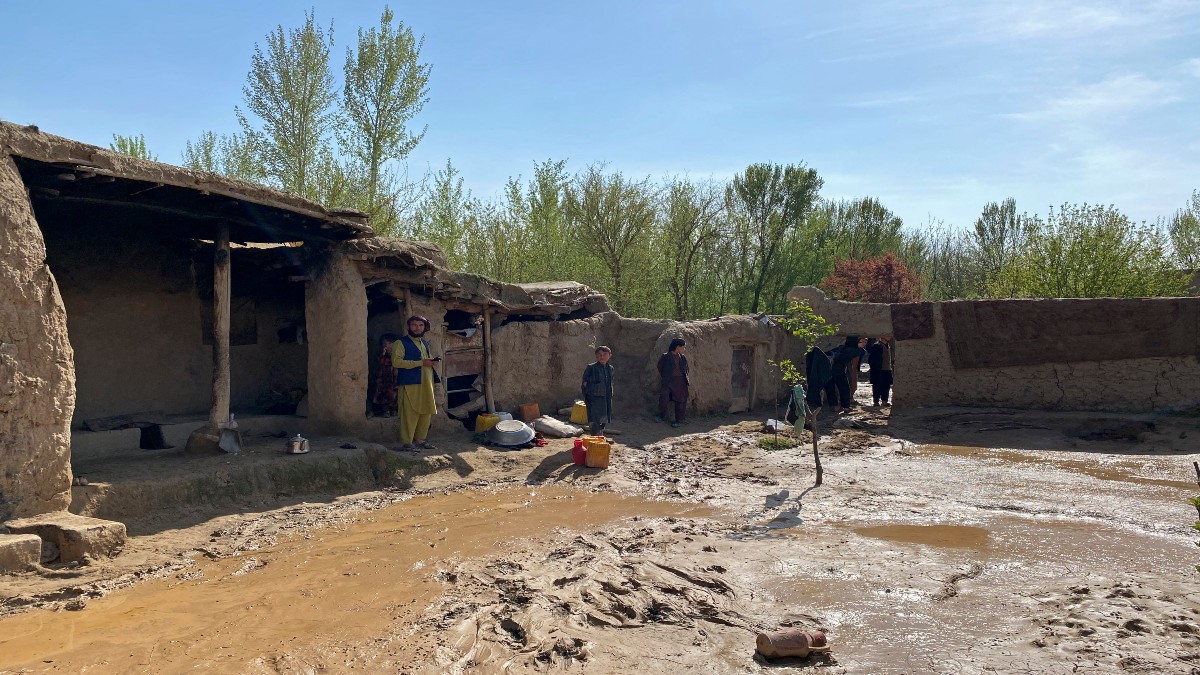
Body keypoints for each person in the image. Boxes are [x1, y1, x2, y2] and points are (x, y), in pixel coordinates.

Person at [393, 315, 440, 451]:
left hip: (426, 383)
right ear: (408, 327)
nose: (417, 328)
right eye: (414, 325)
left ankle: (420, 440)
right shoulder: (400, 343)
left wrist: (432, 362)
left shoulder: (423, 343)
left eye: (420, 325)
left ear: (425, 328)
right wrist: (421, 363)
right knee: (410, 413)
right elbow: (396, 362)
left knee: (425, 413)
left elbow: (425, 360)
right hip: (410, 383)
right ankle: (407, 443)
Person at [656, 338, 690, 427]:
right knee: (664, 397)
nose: (684, 349)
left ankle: (678, 420)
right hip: (668, 381)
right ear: (677, 347)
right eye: (683, 347)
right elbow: (660, 367)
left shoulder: (682, 358)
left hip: (680, 382)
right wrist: (666, 376)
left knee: (680, 401)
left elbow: (686, 369)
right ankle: (661, 415)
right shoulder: (666, 356)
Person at [580, 346, 614, 435]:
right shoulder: (591, 367)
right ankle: (595, 438)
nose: (602, 357)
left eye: (604, 354)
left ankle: (600, 436)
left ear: (610, 356)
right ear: (596, 356)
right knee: (594, 419)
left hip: (606, 398)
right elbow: (584, 383)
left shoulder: (610, 368)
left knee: (604, 419)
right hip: (593, 398)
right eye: (599, 355)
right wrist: (587, 396)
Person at [829, 336, 864, 413]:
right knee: (845, 388)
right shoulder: (854, 350)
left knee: (831, 387)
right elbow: (854, 365)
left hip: (830, 369)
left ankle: (835, 405)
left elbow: (830, 352)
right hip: (839, 370)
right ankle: (845, 407)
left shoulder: (842, 348)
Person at [372, 333, 398, 417]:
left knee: (394, 395)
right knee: (384, 395)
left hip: (394, 379)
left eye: (390, 343)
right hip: (384, 380)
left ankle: (394, 410)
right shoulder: (382, 355)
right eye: (384, 344)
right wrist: (383, 353)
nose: (387, 346)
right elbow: (379, 362)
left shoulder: (397, 354)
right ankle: (386, 411)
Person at [867, 335, 895, 407]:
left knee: (886, 386)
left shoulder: (887, 345)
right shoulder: (877, 346)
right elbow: (872, 360)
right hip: (878, 370)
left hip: (887, 369)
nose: (889, 337)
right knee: (877, 386)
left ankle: (884, 401)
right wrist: (876, 369)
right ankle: (876, 401)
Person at [846, 337, 868, 407]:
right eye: (862, 342)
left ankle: (851, 397)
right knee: (849, 382)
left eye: (865, 342)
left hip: (855, 369)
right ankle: (848, 398)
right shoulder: (852, 350)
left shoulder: (863, 351)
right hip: (849, 368)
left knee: (854, 384)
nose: (863, 344)